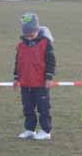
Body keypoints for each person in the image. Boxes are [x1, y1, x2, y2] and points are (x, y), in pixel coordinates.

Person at [14, 12, 56, 141]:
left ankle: (45, 130)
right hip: (26, 84)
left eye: (32, 34)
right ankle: (29, 129)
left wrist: (49, 77)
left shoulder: (45, 44)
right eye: (27, 35)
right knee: (28, 108)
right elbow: (18, 62)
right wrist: (16, 78)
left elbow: (51, 61)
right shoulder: (21, 46)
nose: (30, 37)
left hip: (41, 84)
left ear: (37, 30)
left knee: (43, 108)